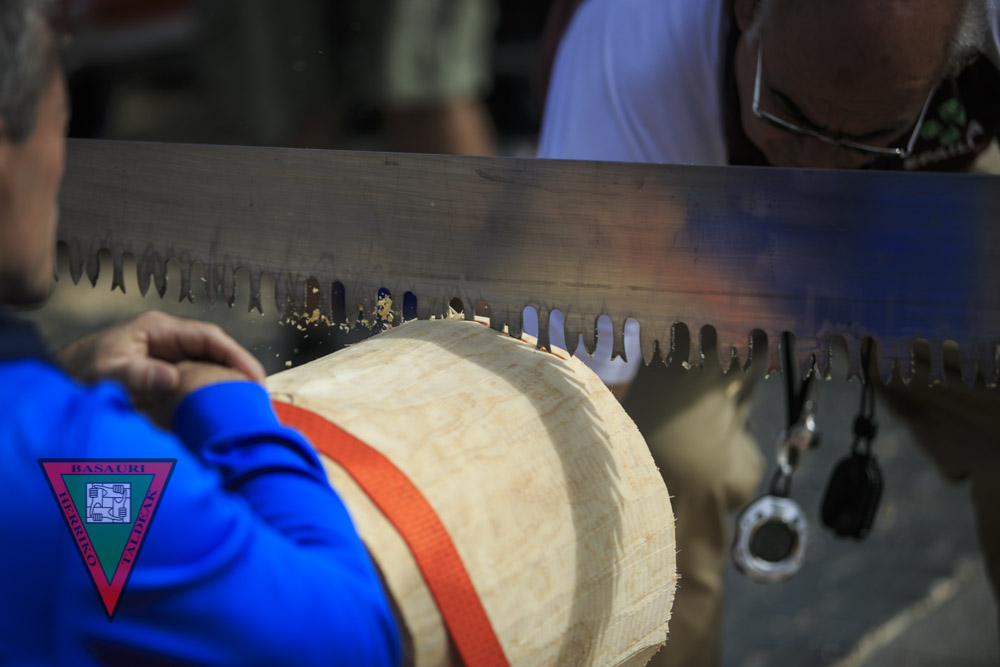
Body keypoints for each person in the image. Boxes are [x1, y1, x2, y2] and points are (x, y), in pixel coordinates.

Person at [537, 0, 1000, 665]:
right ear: (747, 8)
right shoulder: (631, 52)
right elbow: (580, 385)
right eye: (788, 113)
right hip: (700, 236)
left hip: (915, 216)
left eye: (871, 133)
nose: (816, 172)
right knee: (652, 458)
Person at [0, 2, 401, 663]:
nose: (61, 165)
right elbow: (351, 636)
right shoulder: (84, 469)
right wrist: (225, 403)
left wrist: (55, 376)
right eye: (61, 125)